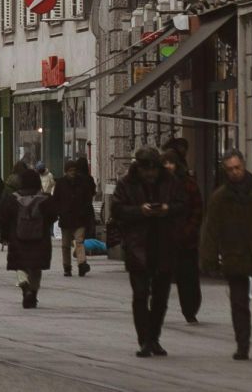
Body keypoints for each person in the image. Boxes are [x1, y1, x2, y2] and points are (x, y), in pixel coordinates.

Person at [199, 151, 252, 360]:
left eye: (238, 167)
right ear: (225, 171)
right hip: (235, 254)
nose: (235, 172)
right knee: (238, 303)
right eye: (230, 169)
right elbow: (211, 229)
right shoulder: (220, 197)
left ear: (244, 165)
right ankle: (242, 345)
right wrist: (208, 259)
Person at [109, 146, 184, 358]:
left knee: (161, 296)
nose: (150, 174)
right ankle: (144, 340)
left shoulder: (170, 181)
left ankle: (154, 338)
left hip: (164, 244)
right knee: (140, 296)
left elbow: (183, 205)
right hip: (138, 246)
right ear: (138, 168)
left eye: (153, 169)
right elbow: (117, 209)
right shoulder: (126, 183)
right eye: (146, 170)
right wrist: (139, 211)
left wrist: (168, 209)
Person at [0, 166, 56, 307]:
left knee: (20, 264)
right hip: (40, 238)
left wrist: (4, 236)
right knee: (36, 267)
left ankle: (23, 281)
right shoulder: (45, 199)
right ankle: (33, 292)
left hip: (18, 237)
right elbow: (52, 216)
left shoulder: (13, 199)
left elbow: (3, 217)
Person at [160, 149, 204, 323]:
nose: (168, 166)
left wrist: (189, 230)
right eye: (165, 163)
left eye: (171, 162)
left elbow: (197, 209)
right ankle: (158, 310)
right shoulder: (158, 184)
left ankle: (190, 309)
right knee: (161, 279)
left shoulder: (188, 183)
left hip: (186, 240)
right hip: (165, 239)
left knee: (188, 277)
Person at [54, 156, 96, 277]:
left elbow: (88, 199)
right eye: (70, 170)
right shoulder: (60, 183)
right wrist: (59, 212)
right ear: (66, 171)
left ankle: (82, 264)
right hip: (66, 218)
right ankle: (67, 267)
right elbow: (56, 200)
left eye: (74, 170)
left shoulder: (82, 183)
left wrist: (85, 212)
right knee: (65, 245)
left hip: (80, 218)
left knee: (79, 241)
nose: (72, 172)